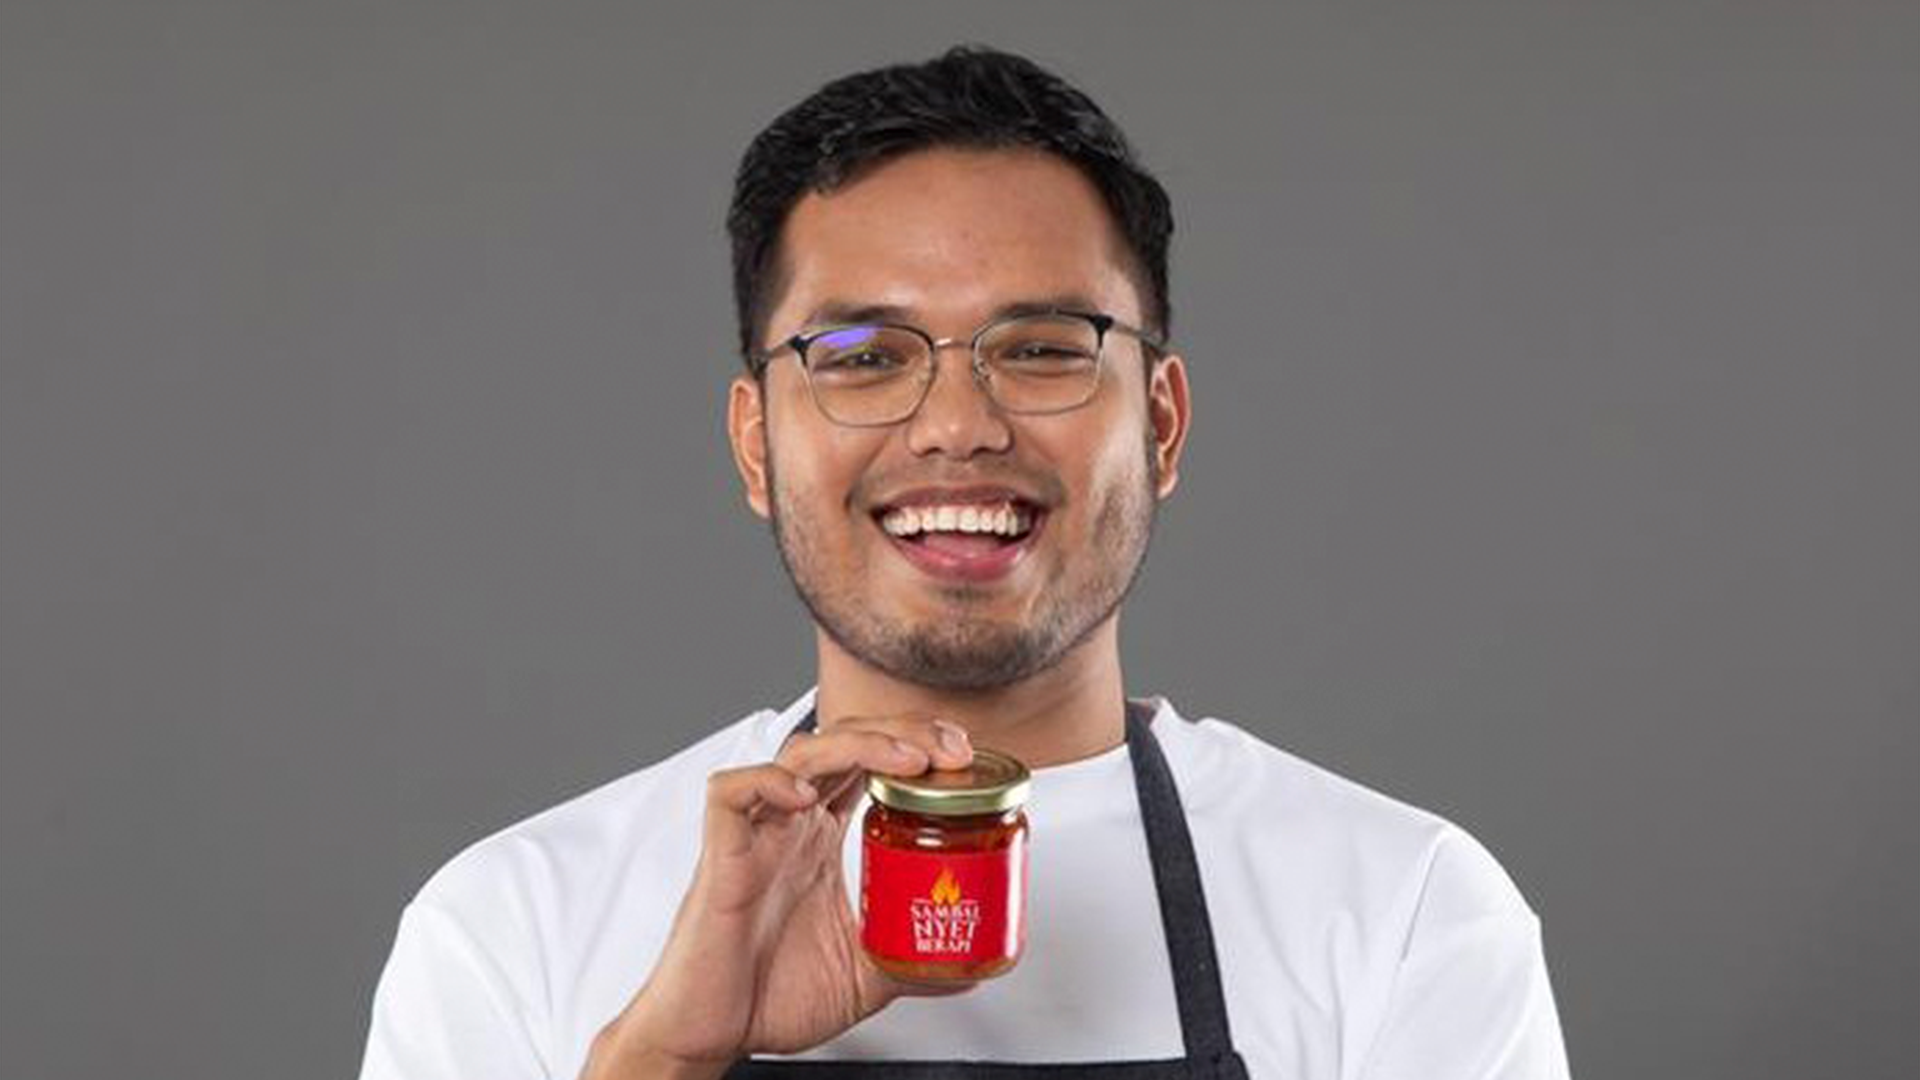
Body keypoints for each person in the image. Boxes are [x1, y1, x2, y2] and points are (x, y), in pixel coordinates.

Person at [356, 46, 1572, 1080]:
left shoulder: (1404, 913)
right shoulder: (517, 925)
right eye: (863, 355)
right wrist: (668, 1059)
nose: (956, 425)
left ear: (1158, 424)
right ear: (754, 445)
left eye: (1041, 348)